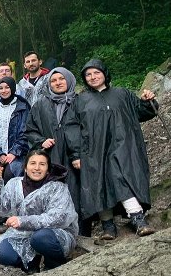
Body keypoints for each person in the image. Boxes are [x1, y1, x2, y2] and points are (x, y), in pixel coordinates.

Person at [65, 59, 158, 239]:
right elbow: (72, 128)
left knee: (122, 178)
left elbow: (142, 112)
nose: (92, 77)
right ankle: (108, 226)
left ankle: (138, 218)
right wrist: (76, 154)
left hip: (123, 147)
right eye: (88, 74)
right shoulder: (81, 100)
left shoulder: (122, 94)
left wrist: (148, 101)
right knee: (97, 184)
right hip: (93, 151)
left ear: (104, 74)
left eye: (96, 73)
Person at [0, 150, 78, 275]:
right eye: (33, 163)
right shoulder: (14, 184)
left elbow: (57, 218)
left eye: (42, 164)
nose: (37, 168)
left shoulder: (57, 188)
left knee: (40, 238)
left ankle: (54, 263)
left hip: (55, 234)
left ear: (48, 169)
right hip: (24, 234)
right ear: (25, 167)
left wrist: (23, 221)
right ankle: (30, 264)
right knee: (1, 251)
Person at [25, 67, 84, 234]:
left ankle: (80, 229)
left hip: (76, 156)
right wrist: (41, 141)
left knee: (76, 190)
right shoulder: (40, 104)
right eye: (53, 80)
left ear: (69, 79)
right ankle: (53, 230)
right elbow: (30, 130)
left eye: (61, 79)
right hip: (51, 157)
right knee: (52, 192)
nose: (58, 83)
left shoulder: (80, 102)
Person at [0, 77, 30, 182]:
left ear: (13, 88)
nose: (4, 91)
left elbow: (25, 132)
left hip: (17, 155)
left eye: (7, 87)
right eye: (1, 88)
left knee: (10, 178)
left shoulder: (22, 107)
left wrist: (14, 153)